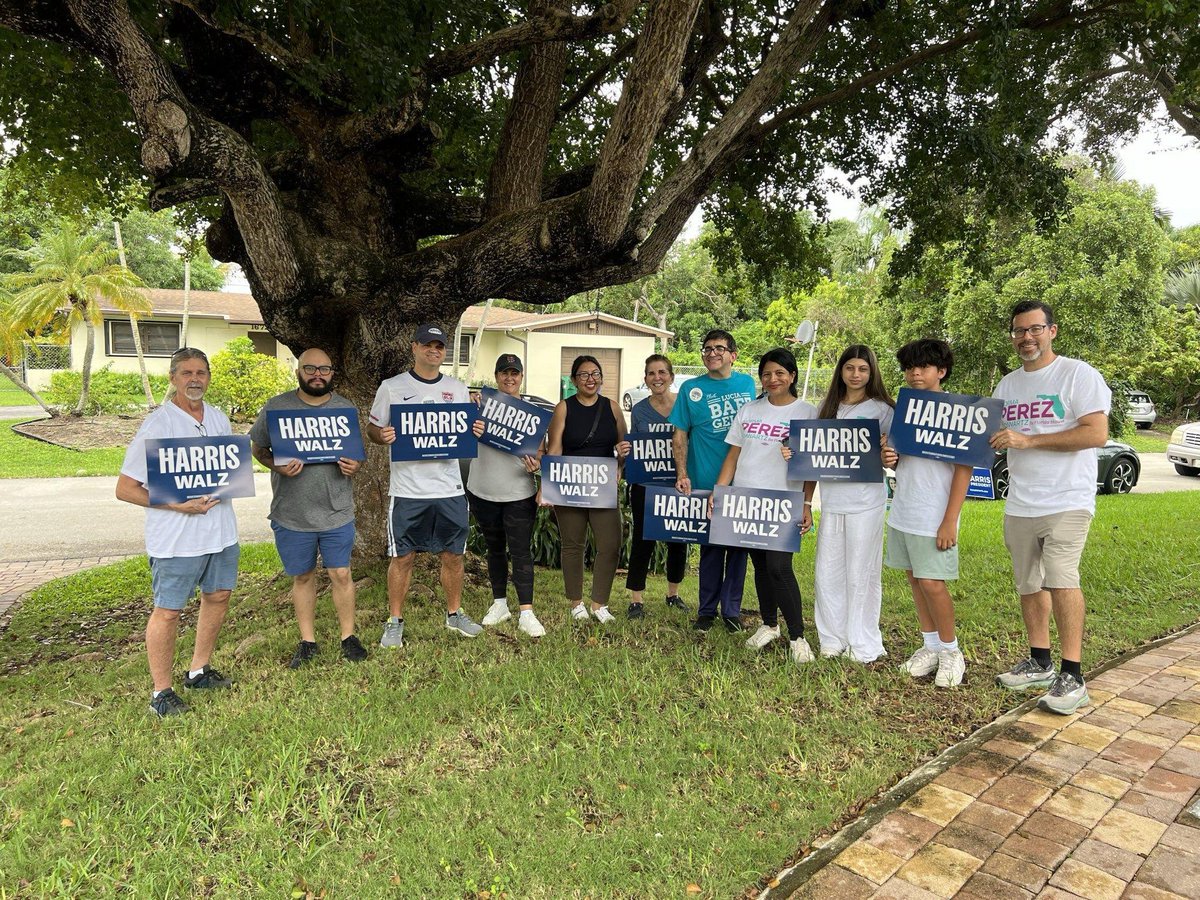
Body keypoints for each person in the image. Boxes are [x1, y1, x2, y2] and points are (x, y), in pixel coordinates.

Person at [990, 300, 1110, 715]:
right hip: (1021, 501)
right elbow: (987, 437)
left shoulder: (1077, 374)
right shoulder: (1006, 386)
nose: (1026, 338)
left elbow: (1095, 433)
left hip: (1068, 499)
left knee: (1061, 578)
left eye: (1034, 329)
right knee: (1028, 583)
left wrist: (1029, 441)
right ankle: (1039, 662)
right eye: (1019, 331)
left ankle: (1072, 675)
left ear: (1052, 331)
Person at [116, 348, 238, 717]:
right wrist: (175, 504)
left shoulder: (218, 419)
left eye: (201, 372)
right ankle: (161, 692)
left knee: (218, 596)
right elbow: (126, 488)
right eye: (186, 373)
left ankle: (198, 670)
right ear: (173, 378)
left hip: (221, 533)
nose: (195, 379)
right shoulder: (158, 425)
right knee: (168, 612)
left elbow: (227, 473)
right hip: (176, 538)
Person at [249, 348, 367, 668]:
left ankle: (348, 637)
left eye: (325, 369)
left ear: (332, 373)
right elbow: (259, 449)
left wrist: (353, 467)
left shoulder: (345, 408)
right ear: (298, 370)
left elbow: (356, 455)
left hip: (337, 509)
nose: (318, 374)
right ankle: (308, 641)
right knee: (302, 576)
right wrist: (277, 465)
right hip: (292, 511)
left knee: (341, 573)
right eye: (310, 368)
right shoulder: (277, 407)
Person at [367, 323, 482, 647]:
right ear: (414, 347)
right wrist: (383, 435)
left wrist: (473, 430)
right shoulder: (392, 387)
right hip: (408, 490)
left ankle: (454, 614)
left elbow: (465, 431)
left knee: (454, 555)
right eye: (428, 345)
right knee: (403, 557)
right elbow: (374, 429)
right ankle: (394, 620)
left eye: (440, 346)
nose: (434, 350)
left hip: (449, 489)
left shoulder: (458, 389)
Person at [715, 348, 816, 664]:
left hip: (783, 501)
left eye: (780, 373)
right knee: (760, 565)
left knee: (779, 567)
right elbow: (732, 456)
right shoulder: (749, 410)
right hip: (747, 500)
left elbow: (813, 464)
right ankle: (770, 625)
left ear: (792, 376)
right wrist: (719, 493)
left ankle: (798, 636)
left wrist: (808, 502)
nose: (773, 379)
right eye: (767, 374)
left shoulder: (808, 413)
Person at [882, 339, 972, 686]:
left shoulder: (956, 411)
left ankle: (951, 652)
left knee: (933, 583)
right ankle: (930, 646)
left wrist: (950, 519)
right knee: (914, 579)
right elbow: (897, 457)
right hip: (904, 509)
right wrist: (889, 458)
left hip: (935, 514)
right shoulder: (903, 409)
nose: (915, 373)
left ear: (941, 371)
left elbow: (963, 469)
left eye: (923, 367)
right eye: (909, 367)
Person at [811, 345, 895, 661]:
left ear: (871, 372)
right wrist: (793, 452)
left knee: (862, 574)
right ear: (841, 371)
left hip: (866, 501)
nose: (856, 374)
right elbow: (811, 454)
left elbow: (896, 457)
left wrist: (887, 448)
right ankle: (832, 639)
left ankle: (863, 642)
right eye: (850, 368)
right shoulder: (827, 407)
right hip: (832, 501)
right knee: (827, 572)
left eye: (862, 369)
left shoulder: (884, 409)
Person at [670, 329, 756, 631]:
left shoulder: (747, 383)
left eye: (719, 348)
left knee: (738, 548)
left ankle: (731, 611)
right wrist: (682, 473)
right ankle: (706, 611)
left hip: (743, 480)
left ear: (733, 354)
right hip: (705, 480)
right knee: (710, 549)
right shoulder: (691, 389)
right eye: (707, 349)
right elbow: (679, 434)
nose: (712, 353)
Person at [543, 355, 629, 624]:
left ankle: (599, 603)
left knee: (610, 543)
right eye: (583, 375)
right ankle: (576, 603)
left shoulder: (613, 408)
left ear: (601, 378)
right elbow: (554, 448)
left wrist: (620, 462)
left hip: (601, 486)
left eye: (595, 374)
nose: (590, 379)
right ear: (573, 380)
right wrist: (547, 486)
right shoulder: (564, 408)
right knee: (572, 544)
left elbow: (623, 447)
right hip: (568, 484)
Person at [469, 353, 546, 637]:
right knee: (495, 549)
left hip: (518, 492)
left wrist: (537, 464)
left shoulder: (531, 414)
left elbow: (541, 450)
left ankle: (527, 611)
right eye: (504, 373)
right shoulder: (479, 405)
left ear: (521, 377)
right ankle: (499, 603)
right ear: (496, 376)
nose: (509, 378)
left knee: (521, 551)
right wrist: (470, 405)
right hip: (483, 489)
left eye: (514, 373)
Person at [625, 354, 689, 619]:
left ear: (671, 377)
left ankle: (673, 594)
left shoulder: (683, 407)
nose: (657, 378)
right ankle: (636, 600)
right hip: (646, 485)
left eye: (662, 372)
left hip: (677, 483)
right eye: (651, 373)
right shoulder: (639, 410)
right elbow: (635, 447)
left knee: (678, 540)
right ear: (645, 379)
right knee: (643, 539)